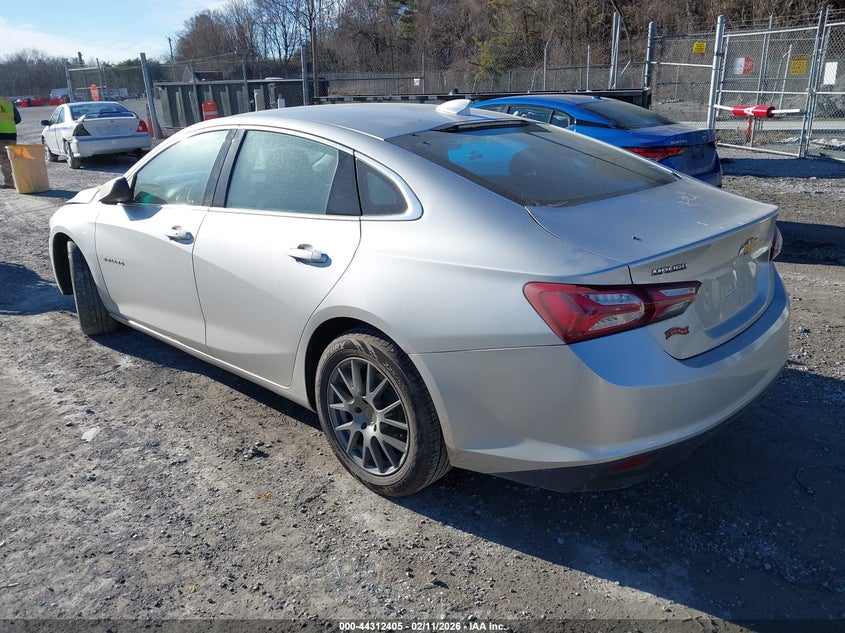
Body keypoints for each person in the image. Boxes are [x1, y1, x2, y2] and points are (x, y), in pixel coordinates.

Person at [0, 95, 22, 189]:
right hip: (11, 135)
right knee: (9, 159)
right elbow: (18, 119)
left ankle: (10, 182)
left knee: (4, 159)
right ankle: (12, 181)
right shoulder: (8, 101)